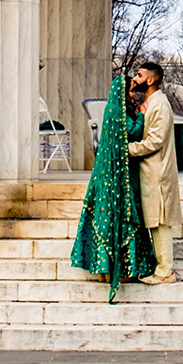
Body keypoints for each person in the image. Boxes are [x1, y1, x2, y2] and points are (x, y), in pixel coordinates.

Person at [70, 75, 156, 302]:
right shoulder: (120, 111)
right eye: (129, 91)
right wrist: (141, 115)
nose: (132, 95)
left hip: (105, 177)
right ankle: (125, 269)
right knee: (123, 217)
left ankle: (104, 271)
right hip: (119, 176)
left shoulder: (111, 109)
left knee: (104, 218)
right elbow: (134, 133)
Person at [127, 60, 183, 284]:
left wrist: (128, 149)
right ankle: (162, 268)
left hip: (158, 171)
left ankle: (165, 271)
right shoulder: (152, 103)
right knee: (155, 220)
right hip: (151, 171)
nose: (135, 79)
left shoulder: (160, 104)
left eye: (139, 76)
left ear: (150, 80)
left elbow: (156, 141)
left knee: (160, 221)